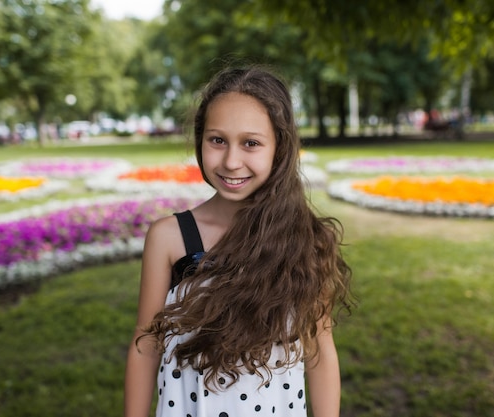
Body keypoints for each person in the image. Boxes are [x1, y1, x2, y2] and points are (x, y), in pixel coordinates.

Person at [124, 66, 353, 417]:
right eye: (217, 140)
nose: (232, 162)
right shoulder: (170, 238)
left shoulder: (308, 241)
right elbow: (145, 346)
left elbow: (319, 353)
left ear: (280, 148)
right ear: (200, 140)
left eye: (251, 143)